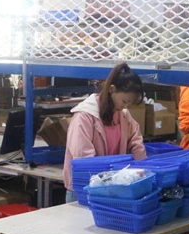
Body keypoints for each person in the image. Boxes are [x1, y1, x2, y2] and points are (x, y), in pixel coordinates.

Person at [63, 62, 147, 202]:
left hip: (110, 187)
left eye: (128, 103)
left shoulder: (123, 115)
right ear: (112, 89)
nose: (125, 106)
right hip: (84, 190)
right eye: (124, 101)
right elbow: (84, 159)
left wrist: (142, 174)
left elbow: (136, 143)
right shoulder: (85, 116)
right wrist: (109, 181)